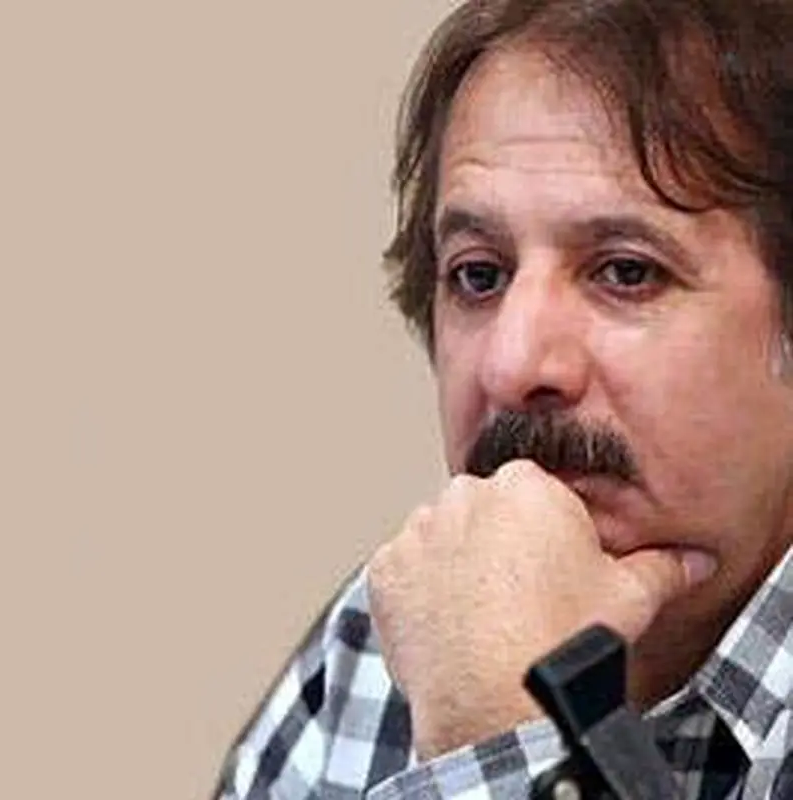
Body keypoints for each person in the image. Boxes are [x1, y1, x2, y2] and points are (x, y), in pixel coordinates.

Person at [214, 0, 793, 797]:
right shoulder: (399, 636)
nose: (513, 364)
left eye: (626, 272)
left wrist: (499, 729)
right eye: (478, 275)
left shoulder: (464, 666)